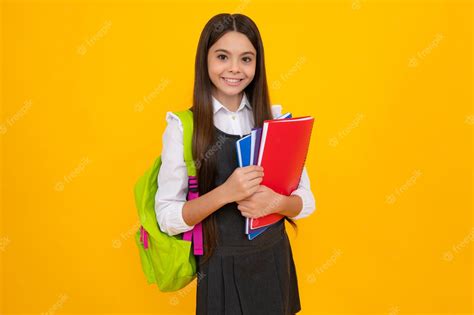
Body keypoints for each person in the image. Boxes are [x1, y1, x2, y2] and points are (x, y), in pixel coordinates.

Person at [155, 13, 316, 315]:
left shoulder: (273, 119)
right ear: (205, 60)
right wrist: (226, 193)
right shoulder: (183, 127)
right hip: (219, 268)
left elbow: (306, 202)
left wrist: (277, 202)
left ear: (257, 64)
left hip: (273, 263)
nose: (234, 69)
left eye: (246, 59)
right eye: (222, 56)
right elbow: (167, 216)